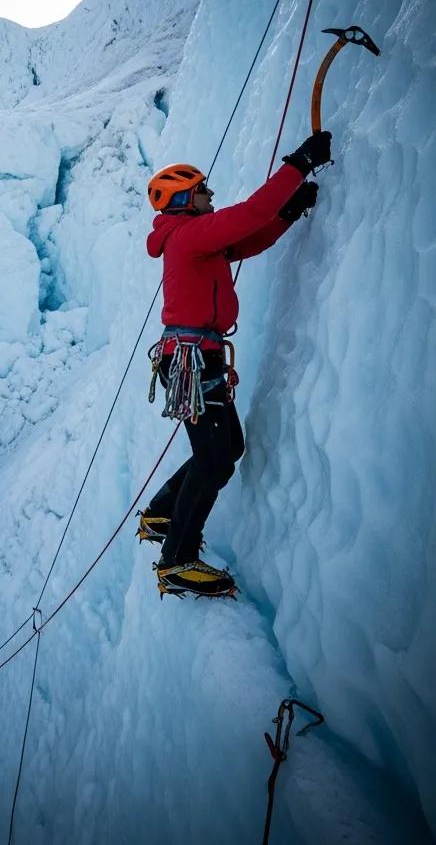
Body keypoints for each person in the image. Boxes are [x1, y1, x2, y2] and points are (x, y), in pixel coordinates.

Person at [140, 131, 330, 597]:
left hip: (196, 361)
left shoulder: (194, 241)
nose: (210, 194)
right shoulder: (189, 235)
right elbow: (246, 216)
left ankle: (163, 513)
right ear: (185, 199)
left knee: (227, 448)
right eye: (204, 189)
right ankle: (177, 559)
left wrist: (289, 211)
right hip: (192, 364)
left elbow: (249, 238)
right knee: (214, 456)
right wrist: (297, 165)